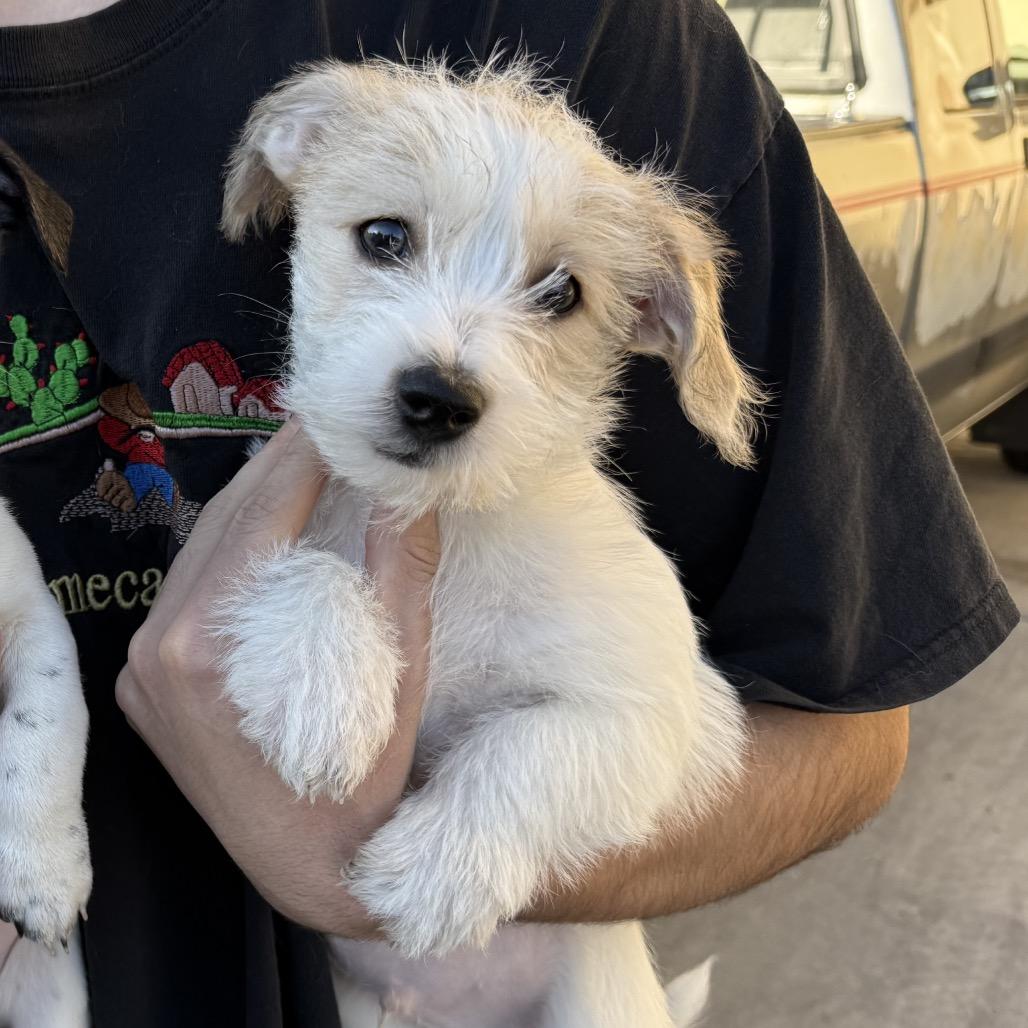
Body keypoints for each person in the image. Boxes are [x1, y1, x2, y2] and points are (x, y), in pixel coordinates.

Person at [0, 0, 1018, 1024]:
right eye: (387, 239)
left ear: (651, 317)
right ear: (290, 171)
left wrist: (465, 835)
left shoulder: (619, 36)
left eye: (555, 295)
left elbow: (671, 730)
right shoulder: (289, 515)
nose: (446, 361)